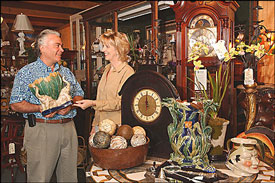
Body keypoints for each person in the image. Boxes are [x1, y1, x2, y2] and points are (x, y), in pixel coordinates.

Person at [9, 29, 84, 182]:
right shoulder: (26, 73)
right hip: (41, 129)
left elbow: (79, 93)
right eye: (57, 45)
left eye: (61, 46)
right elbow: (15, 104)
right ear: (42, 48)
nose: (62, 50)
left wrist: (70, 105)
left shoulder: (66, 72)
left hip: (69, 128)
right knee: (39, 178)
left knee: (70, 178)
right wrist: (41, 108)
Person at [73, 30, 135, 134]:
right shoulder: (107, 69)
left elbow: (121, 103)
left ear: (118, 49)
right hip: (101, 125)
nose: (103, 50)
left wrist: (92, 103)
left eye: (107, 46)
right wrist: (95, 125)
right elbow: (100, 98)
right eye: (103, 46)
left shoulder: (127, 72)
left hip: (117, 128)